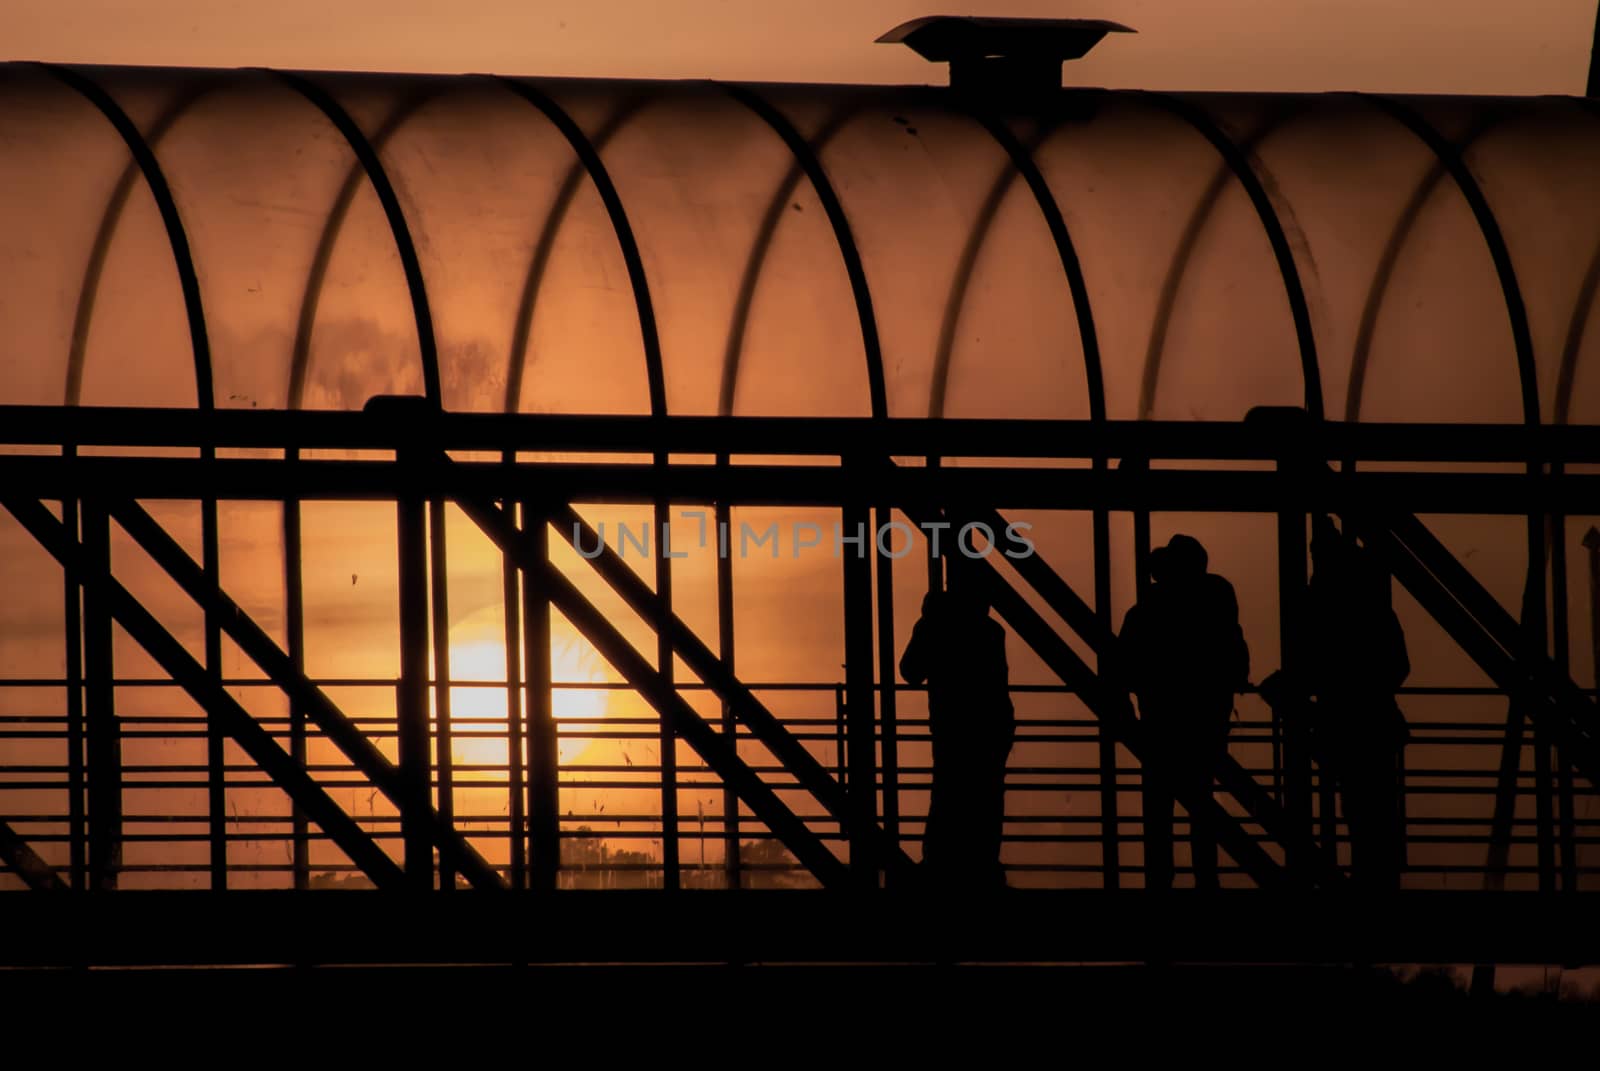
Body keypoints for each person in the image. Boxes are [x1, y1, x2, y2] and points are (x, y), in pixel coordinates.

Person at [1113, 534, 1249, 890]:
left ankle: (1161, 878)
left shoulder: (1147, 611)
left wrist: (1126, 710)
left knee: (1160, 803)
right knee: (1201, 799)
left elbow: (1122, 664)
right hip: (1206, 716)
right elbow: (1234, 648)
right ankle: (1206, 877)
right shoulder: (1217, 597)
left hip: (1161, 719)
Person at [1303, 516, 1409, 890]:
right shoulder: (1376, 612)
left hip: (1345, 724)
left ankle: (1370, 877)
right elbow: (1399, 666)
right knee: (1376, 810)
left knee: (1359, 808)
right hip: (1375, 723)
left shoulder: (1325, 613)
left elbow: (1313, 667)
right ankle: (1378, 878)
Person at [899, 561, 1016, 889]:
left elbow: (909, 672)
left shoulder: (936, 625)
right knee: (987, 800)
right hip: (991, 730)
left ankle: (940, 864)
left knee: (949, 795)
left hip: (954, 729)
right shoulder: (992, 632)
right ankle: (981, 866)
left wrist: (926, 621)